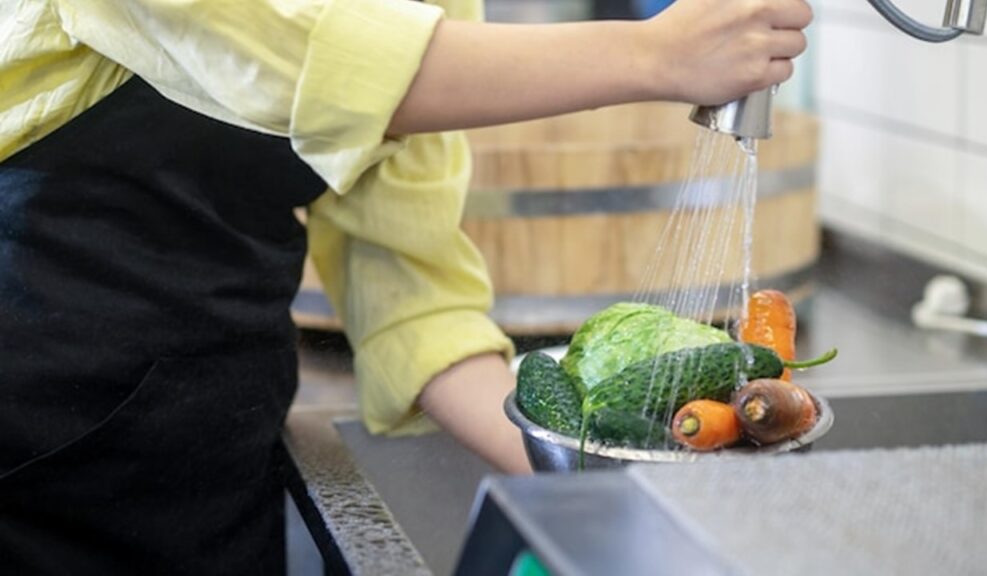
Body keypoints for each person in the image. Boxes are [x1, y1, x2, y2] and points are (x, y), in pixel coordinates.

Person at [0, 0, 812, 573]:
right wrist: (654, 54)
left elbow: (412, 289)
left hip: (204, 440)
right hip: (27, 426)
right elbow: (298, 51)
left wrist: (596, 475)